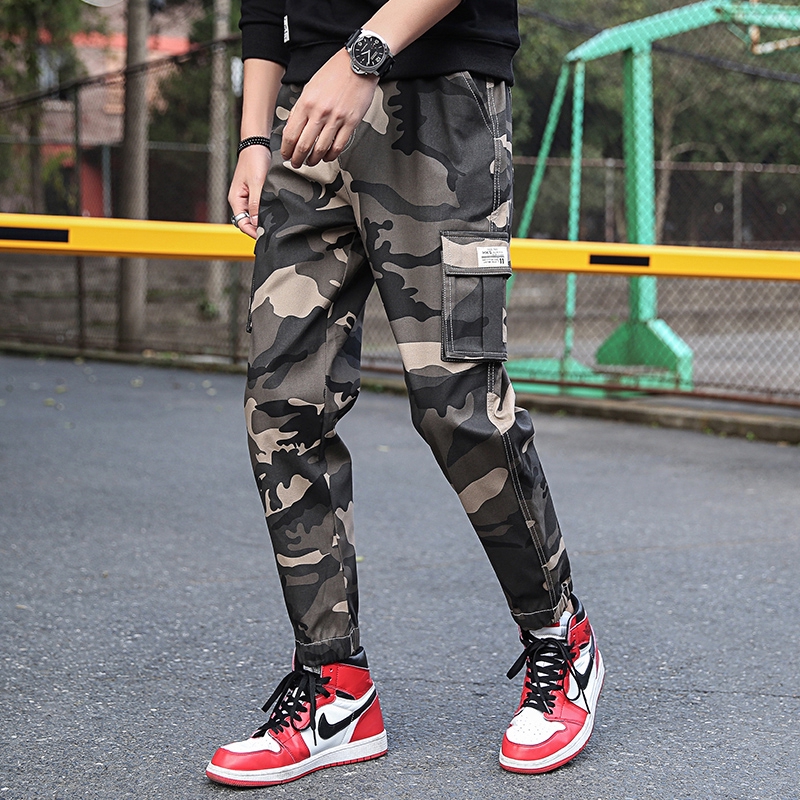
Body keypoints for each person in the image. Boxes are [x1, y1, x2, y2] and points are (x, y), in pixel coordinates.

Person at [206, 0, 604, 787]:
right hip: (304, 115)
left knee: (458, 402)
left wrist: (365, 55)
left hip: (438, 96)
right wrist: (254, 135)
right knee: (281, 406)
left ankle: (561, 638)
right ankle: (335, 687)